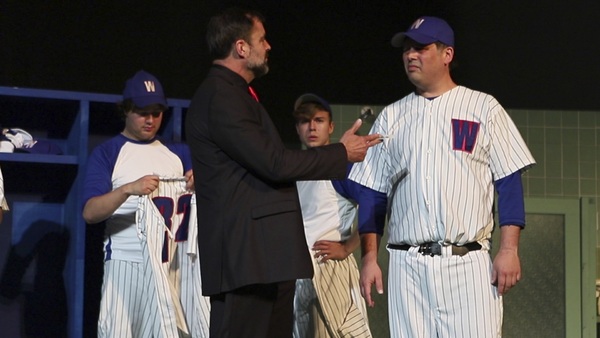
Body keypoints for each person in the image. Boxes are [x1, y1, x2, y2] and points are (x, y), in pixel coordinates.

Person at [185, 7, 381, 338]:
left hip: (265, 258)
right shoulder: (222, 95)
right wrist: (341, 152)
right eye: (262, 39)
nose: (269, 46)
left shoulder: (234, 94)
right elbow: (273, 163)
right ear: (241, 47)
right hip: (248, 258)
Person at [349, 16, 536, 337]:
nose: (410, 55)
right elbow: (373, 195)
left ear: (447, 54)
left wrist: (508, 250)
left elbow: (508, 181)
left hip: (468, 263)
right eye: (406, 49)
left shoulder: (483, 107)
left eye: (420, 48)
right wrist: (369, 258)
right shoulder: (391, 116)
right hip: (407, 266)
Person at [82, 70, 209, 337]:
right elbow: (90, 213)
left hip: (173, 264)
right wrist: (128, 189)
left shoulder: (180, 153)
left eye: (157, 112)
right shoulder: (109, 152)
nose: (150, 119)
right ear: (126, 109)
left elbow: (214, 203)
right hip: (126, 263)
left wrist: (203, 183)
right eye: (142, 111)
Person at [291, 93, 386, 338]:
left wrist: (347, 247)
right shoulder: (294, 169)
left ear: (331, 126)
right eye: (304, 121)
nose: (312, 127)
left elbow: (373, 204)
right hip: (299, 273)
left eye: (319, 120)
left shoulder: (340, 167)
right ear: (297, 128)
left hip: (331, 270)